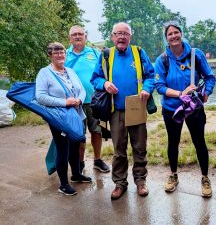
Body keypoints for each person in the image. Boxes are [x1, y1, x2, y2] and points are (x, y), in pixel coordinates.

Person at [91, 22, 155, 200]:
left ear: (130, 37)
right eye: (118, 33)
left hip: (136, 107)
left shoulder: (139, 52)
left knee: (139, 148)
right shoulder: (106, 55)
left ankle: (141, 182)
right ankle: (120, 183)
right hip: (115, 110)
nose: (121, 37)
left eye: (125, 33)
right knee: (119, 150)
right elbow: (95, 78)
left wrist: (147, 89)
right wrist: (104, 83)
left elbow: (151, 75)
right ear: (112, 36)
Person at [154, 21, 216, 197]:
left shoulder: (196, 55)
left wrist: (207, 92)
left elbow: (210, 77)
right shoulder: (162, 60)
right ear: (166, 38)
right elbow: (159, 86)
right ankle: (173, 175)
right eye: (169, 34)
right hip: (171, 109)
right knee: (173, 143)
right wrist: (181, 93)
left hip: (194, 108)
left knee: (199, 143)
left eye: (176, 32)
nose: (173, 36)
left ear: (181, 34)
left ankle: (205, 178)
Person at [36, 42, 92, 196]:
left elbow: (81, 90)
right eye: (56, 53)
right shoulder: (44, 73)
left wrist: (79, 100)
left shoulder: (70, 71)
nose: (60, 56)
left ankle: (76, 175)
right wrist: (64, 102)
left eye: (62, 53)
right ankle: (63, 184)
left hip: (76, 114)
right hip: (59, 118)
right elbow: (40, 97)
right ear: (50, 55)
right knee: (63, 149)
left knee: (75, 145)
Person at [65, 25, 110, 173]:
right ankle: (80, 163)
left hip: (94, 101)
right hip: (74, 103)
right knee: (79, 135)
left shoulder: (95, 53)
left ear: (86, 37)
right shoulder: (64, 55)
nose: (77, 36)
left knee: (96, 131)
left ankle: (97, 160)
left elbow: (103, 73)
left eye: (80, 34)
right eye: (74, 34)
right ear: (69, 38)